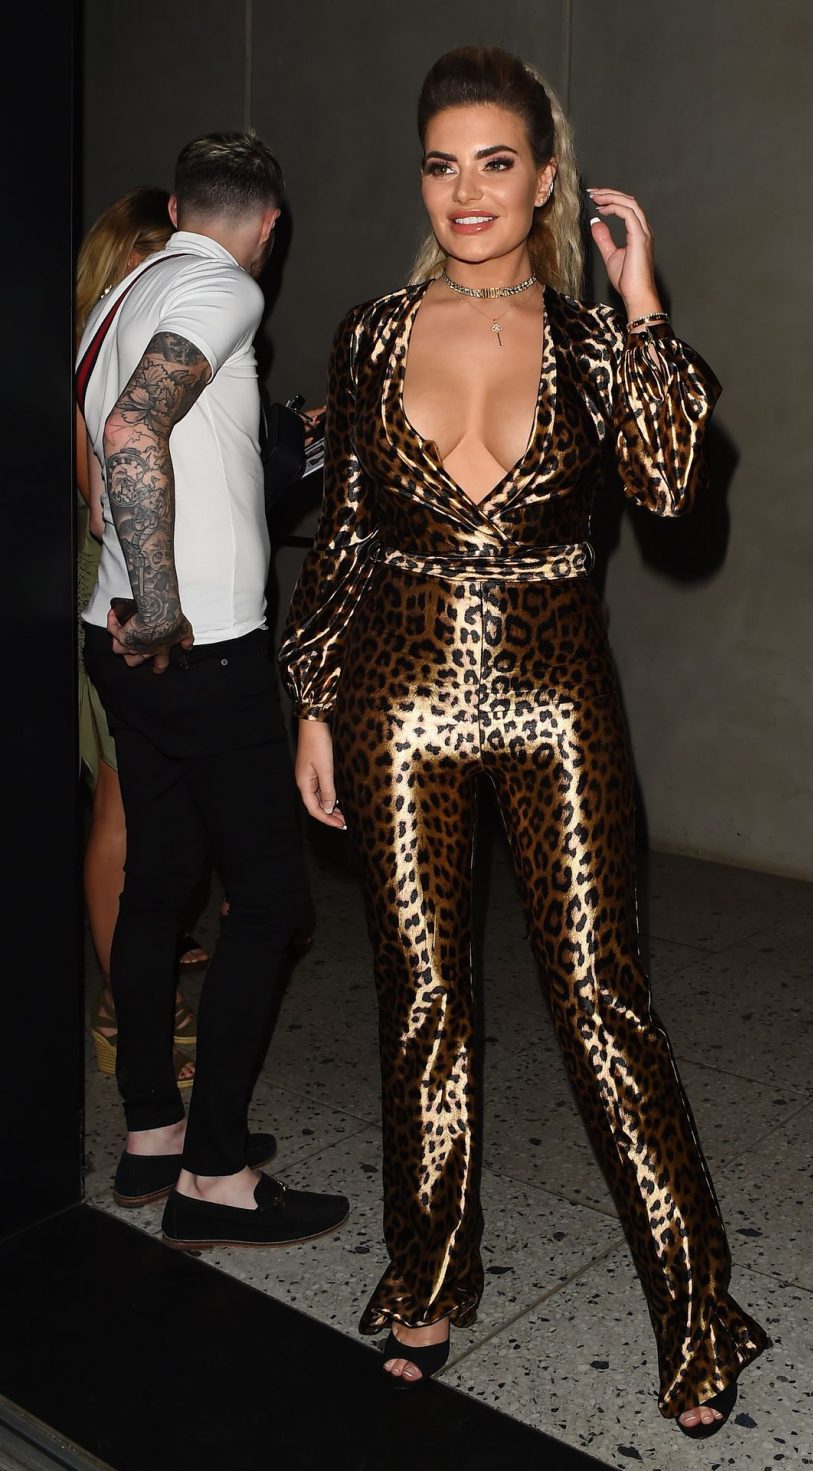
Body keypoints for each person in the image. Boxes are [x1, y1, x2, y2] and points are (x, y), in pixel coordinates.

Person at [280, 46, 768, 1438]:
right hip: (401, 694)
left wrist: (643, 302)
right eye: (442, 164)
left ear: (546, 178)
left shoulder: (595, 342)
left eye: (496, 162)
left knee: (605, 1004)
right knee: (422, 1004)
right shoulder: (371, 333)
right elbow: (350, 529)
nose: (466, 191)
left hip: (558, 700)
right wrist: (315, 699)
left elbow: (669, 486)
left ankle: (696, 1309)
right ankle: (429, 1277)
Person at [80, 130, 349, 1249]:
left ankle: (154, 1131)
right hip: (199, 651)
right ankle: (217, 1177)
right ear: (269, 226)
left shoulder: (125, 288)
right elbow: (136, 425)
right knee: (273, 905)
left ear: (180, 205)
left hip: (118, 643)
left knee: (159, 884)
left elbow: (140, 435)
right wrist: (163, 601)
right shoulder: (225, 287)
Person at [75, 187, 209, 1094]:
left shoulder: (131, 348)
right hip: (122, 601)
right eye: (158, 260)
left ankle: (140, 980)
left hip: (159, 599)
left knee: (164, 806)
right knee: (124, 811)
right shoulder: (100, 359)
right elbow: (103, 506)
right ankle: (128, 1008)